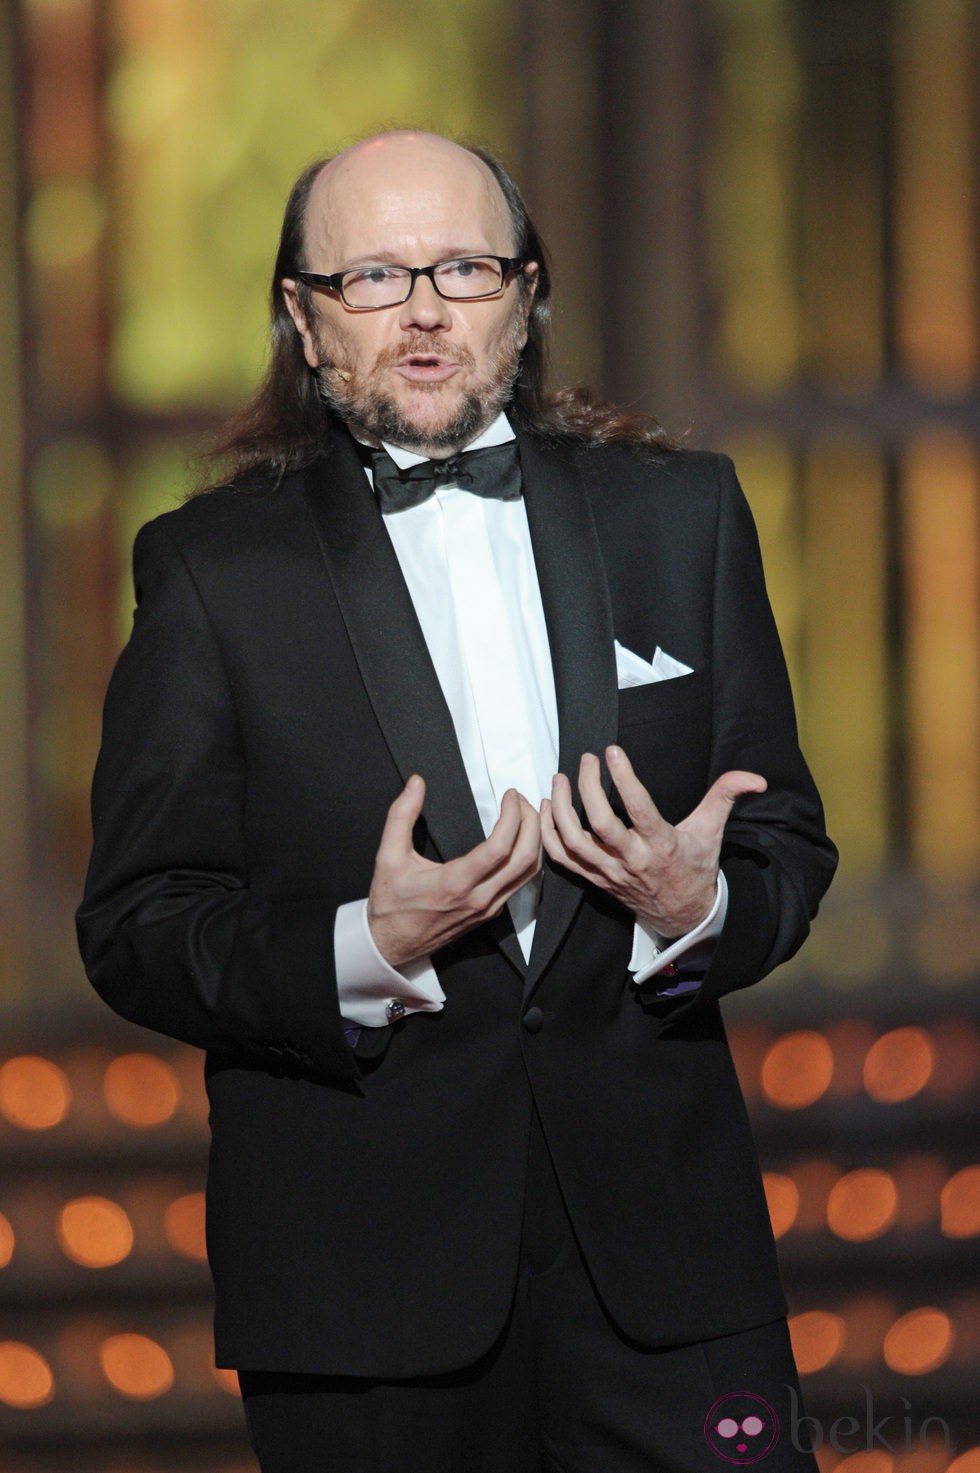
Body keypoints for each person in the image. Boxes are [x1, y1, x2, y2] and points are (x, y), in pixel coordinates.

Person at [77, 131, 837, 1473]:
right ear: (305, 321)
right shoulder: (209, 573)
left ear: (527, 298)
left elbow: (782, 841)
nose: (424, 307)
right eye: (374, 274)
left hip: (670, 1273)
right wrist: (366, 946)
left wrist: (695, 902)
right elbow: (138, 919)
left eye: (464, 267)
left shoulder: (685, 514)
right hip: (362, 1286)